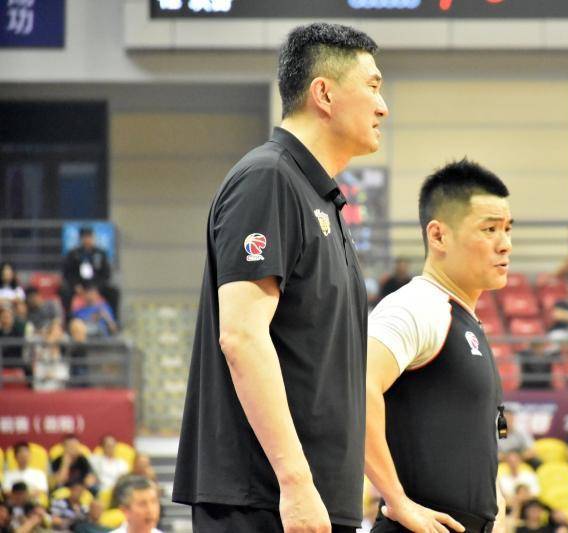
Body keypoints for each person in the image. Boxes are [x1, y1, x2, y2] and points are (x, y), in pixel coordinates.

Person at [172, 22, 388, 533]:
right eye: (373, 86)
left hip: (313, 500)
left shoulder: (324, 200)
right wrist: (295, 482)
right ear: (324, 94)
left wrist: (393, 495)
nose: (383, 107)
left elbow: (336, 374)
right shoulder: (268, 179)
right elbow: (242, 337)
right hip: (266, 501)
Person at [365, 160, 511, 533]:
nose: (505, 244)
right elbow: (355, 388)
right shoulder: (416, 306)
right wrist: (397, 500)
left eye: (507, 229)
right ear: (439, 236)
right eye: (489, 229)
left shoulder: (465, 321)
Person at [60, 227, 119, 320]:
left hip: (96, 286)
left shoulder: (100, 254)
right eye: (85, 237)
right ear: (81, 239)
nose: (87, 240)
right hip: (79, 285)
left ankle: (114, 320)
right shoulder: (73, 254)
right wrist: (76, 285)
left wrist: (96, 289)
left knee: (114, 292)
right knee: (65, 292)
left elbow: (106, 274)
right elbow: (67, 273)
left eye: (90, 237)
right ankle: (68, 320)